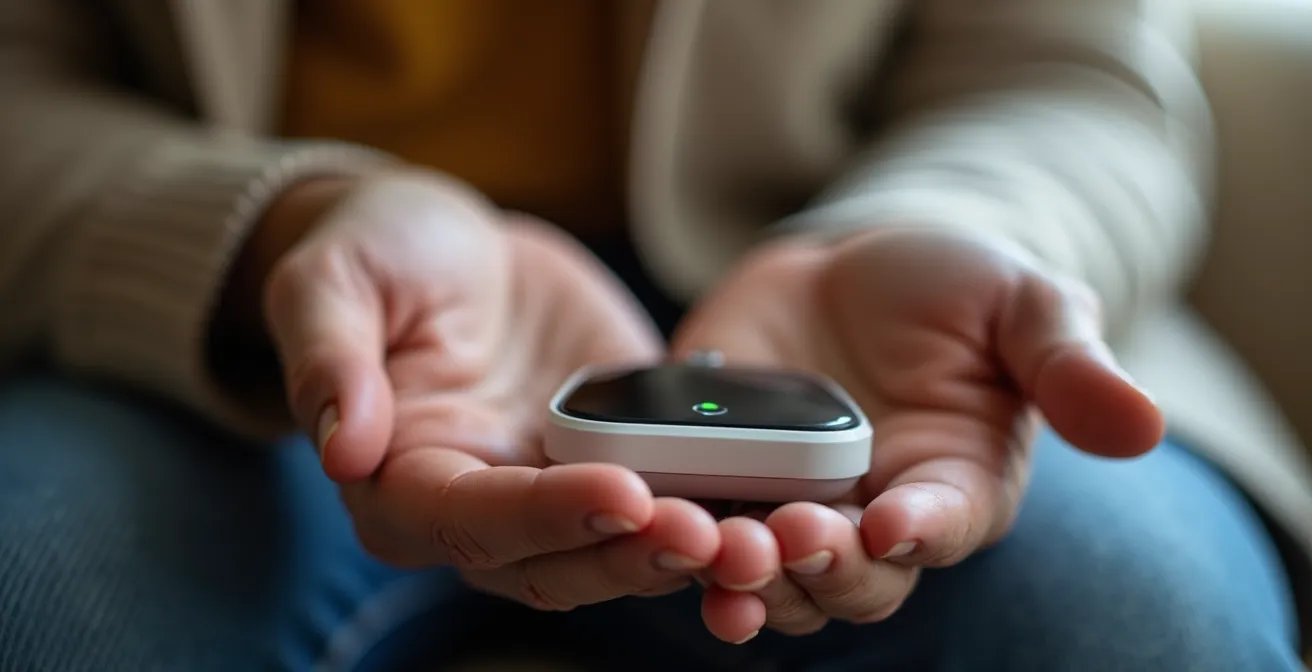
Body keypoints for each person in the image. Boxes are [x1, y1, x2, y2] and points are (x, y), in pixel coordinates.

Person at [0, 0, 1307, 670]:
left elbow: (1067, 72)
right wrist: (284, 230)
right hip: (266, 318)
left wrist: (933, 229)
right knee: (28, 589)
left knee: (1146, 622)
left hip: (850, 274)